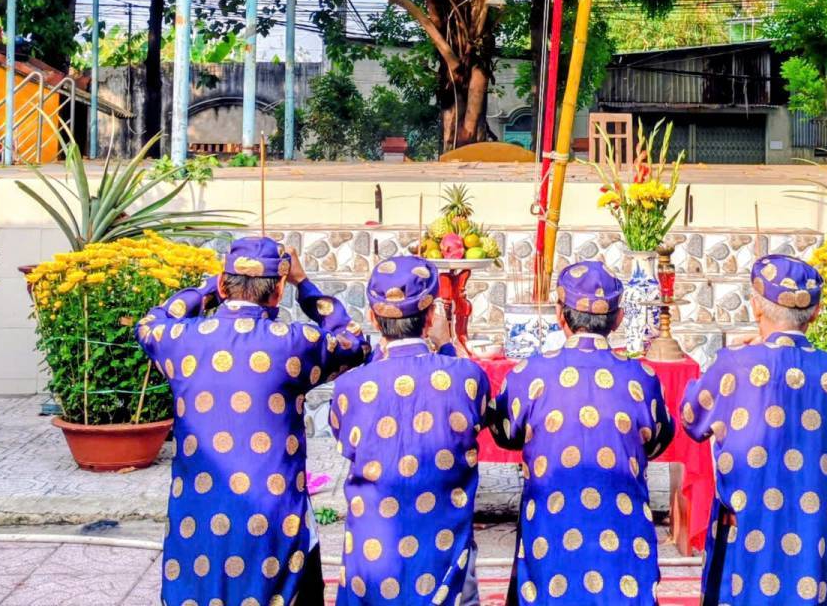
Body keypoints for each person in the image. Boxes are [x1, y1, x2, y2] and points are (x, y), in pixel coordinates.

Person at [136, 235, 369, 606]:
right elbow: (354, 342)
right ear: (277, 292)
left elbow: (150, 323)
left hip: (199, 514)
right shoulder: (295, 342)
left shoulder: (179, 339)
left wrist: (207, 290)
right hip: (275, 516)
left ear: (224, 285)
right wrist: (303, 284)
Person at [680, 254, 827, 606]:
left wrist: (734, 359)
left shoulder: (732, 365)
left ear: (755, 307)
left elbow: (691, 417)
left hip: (748, 526)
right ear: (815, 312)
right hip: (814, 531)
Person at [490, 260, 675, 606]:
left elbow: (503, 433)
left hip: (550, 532)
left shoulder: (528, 373)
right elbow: (660, 439)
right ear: (618, 320)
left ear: (560, 315)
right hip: (623, 531)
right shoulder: (642, 378)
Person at [329, 255, 491, 606]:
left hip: (373, 553)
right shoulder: (467, 376)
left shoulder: (350, 387)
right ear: (431, 317)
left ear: (373, 318)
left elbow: (344, 440)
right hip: (446, 549)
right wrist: (446, 344)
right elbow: (478, 410)